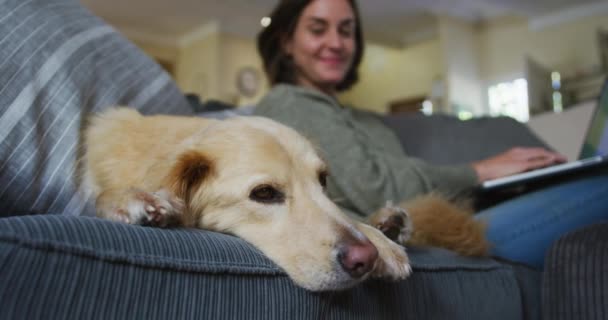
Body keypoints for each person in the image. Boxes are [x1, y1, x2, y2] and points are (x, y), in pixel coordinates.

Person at [252, 0, 608, 269]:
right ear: (286, 42)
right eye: (318, 29)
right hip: (426, 233)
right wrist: (480, 171)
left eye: (346, 30)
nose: (336, 42)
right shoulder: (290, 102)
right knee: (600, 184)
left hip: (442, 219)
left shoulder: (348, 115)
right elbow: (374, 187)